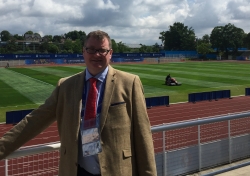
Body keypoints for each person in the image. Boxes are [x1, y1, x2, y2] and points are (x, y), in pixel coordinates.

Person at [0, 30, 157, 176]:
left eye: (102, 50)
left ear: (110, 54)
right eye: (91, 49)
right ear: (83, 52)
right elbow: (35, 120)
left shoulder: (130, 83)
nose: (96, 54)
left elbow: (143, 135)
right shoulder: (66, 86)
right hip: (77, 171)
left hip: (118, 170)